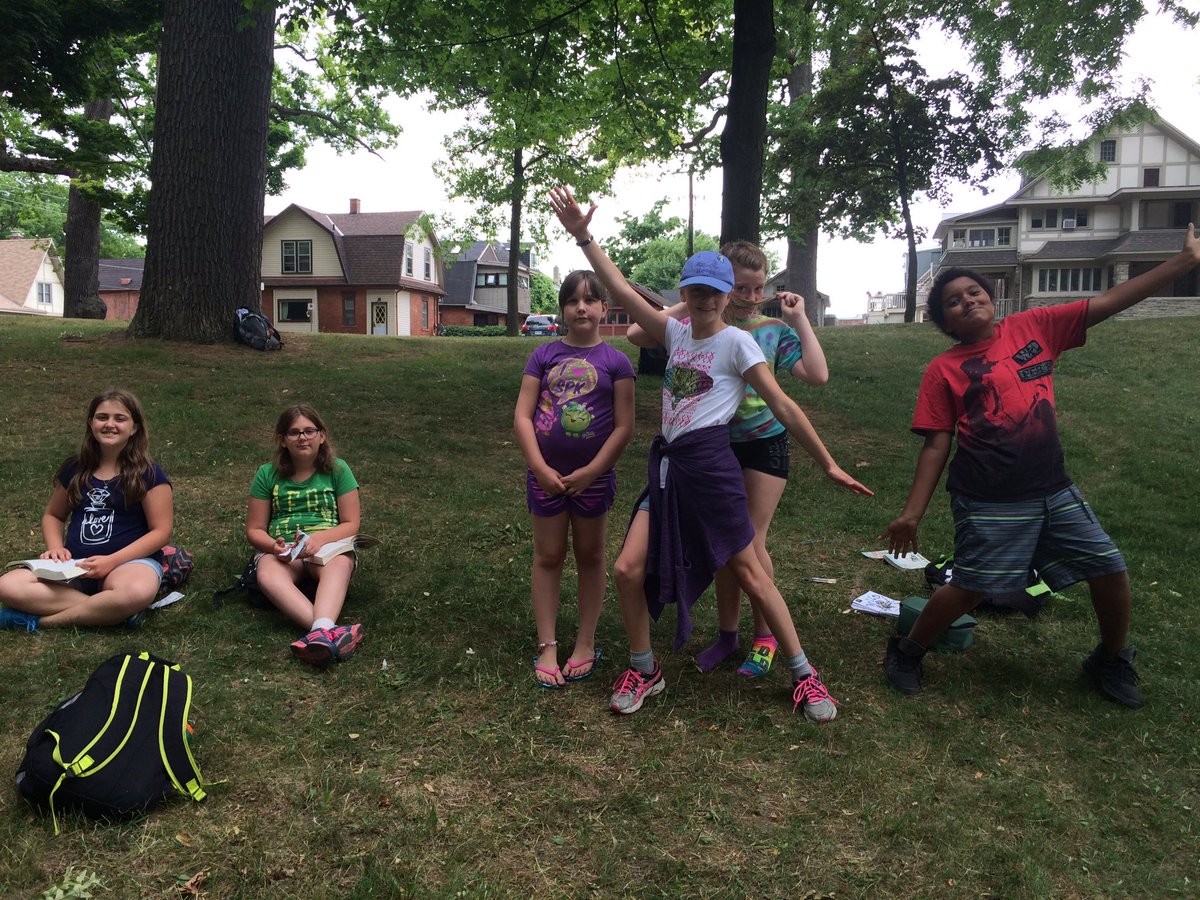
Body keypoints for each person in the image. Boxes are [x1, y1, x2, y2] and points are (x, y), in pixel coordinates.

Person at [550, 185, 872, 722]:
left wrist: (829, 463)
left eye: (715, 292)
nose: (706, 300)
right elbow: (620, 291)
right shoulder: (675, 335)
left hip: (714, 469)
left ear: (729, 295)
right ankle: (644, 667)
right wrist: (584, 237)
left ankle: (804, 675)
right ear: (684, 292)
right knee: (628, 569)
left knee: (750, 573)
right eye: (696, 290)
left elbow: (786, 407)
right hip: (670, 470)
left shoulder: (738, 344)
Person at [881, 224, 1200, 708]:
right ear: (945, 320)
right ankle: (907, 649)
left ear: (991, 298)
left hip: (1053, 488)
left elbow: (1110, 302)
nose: (967, 301)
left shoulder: (1037, 327)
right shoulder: (943, 370)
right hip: (988, 497)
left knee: (1109, 567)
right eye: (953, 301)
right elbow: (935, 445)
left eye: (974, 292)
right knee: (970, 587)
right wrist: (911, 513)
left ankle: (1110, 657)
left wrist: (1182, 264)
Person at [627, 240, 830, 678]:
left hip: (761, 444)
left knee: (749, 545)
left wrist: (799, 319)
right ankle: (728, 633)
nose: (751, 297)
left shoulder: (767, 331)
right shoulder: (691, 325)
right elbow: (638, 334)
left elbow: (813, 378)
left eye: (759, 289)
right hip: (714, 446)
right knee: (723, 545)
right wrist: (691, 302)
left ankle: (766, 638)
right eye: (741, 287)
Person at [514, 271, 636, 687]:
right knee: (547, 557)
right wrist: (539, 468)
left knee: (590, 556)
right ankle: (547, 645)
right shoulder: (543, 355)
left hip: (593, 480)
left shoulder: (617, 362)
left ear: (605, 308)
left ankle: (585, 641)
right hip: (546, 477)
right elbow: (523, 416)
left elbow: (623, 426)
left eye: (590, 300)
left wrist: (592, 471)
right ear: (563, 310)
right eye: (572, 301)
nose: (581, 307)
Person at [0, 390, 173, 631]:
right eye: (102, 417)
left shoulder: (150, 474)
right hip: (75, 566)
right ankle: (110, 612)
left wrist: (111, 561)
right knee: (7, 586)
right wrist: (55, 548)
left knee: (134, 592)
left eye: (120, 418)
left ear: (134, 428)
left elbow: (161, 532)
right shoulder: (76, 468)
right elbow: (54, 515)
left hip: (129, 564)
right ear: (91, 423)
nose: (110, 424)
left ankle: (38, 621)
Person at [246, 404, 364, 666]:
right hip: (284, 549)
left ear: (322, 436)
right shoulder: (267, 474)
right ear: (282, 440)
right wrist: (273, 547)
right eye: (294, 432)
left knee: (341, 563)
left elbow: (351, 523)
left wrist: (319, 539)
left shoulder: (338, 470)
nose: (302, 437)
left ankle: (319, 632)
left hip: (328, 545)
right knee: (267, 574)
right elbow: (254, 529)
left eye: (310, 431)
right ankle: (326, 632)